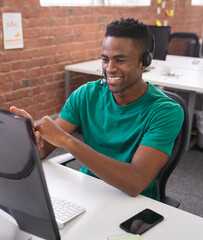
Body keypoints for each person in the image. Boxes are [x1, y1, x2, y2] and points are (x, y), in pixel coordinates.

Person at [10, 17, 183, 200]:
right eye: (105, 59)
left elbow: (136, 182)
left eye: (120, 60)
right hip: (88, 191)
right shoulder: (86, 95)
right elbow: (43, 150)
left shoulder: (166, 111)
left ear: (144, 61)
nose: (110, 68)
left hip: (134, 204)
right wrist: (29, 138)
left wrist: (68, 142)